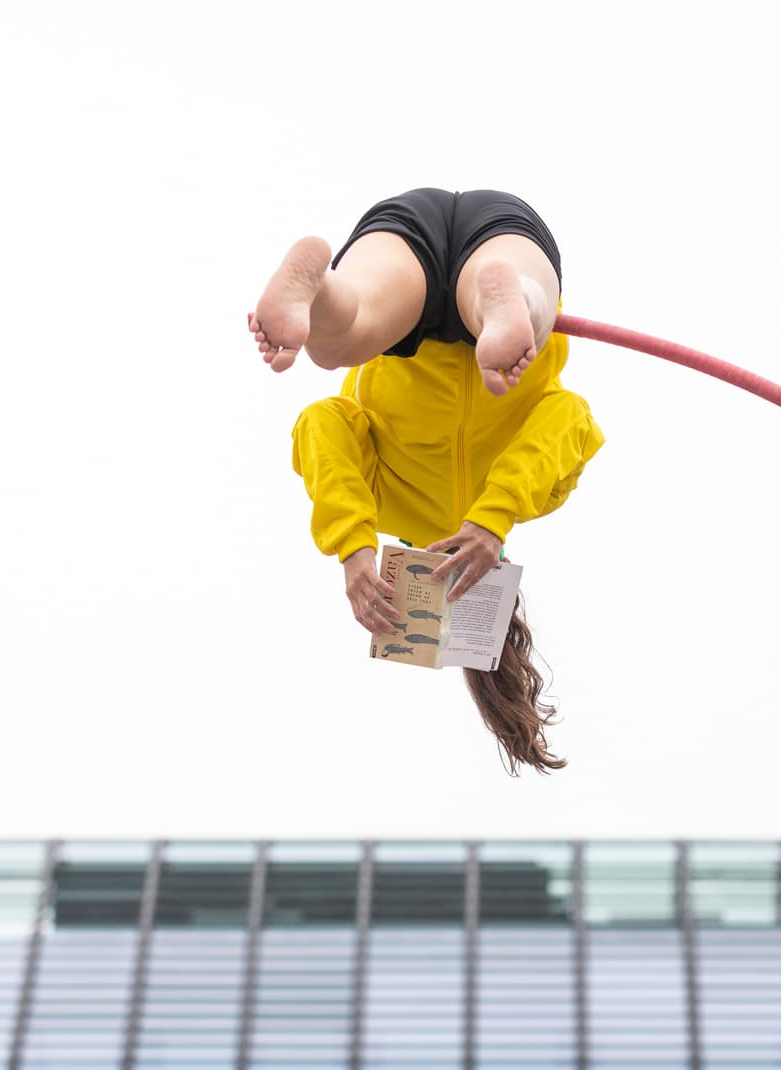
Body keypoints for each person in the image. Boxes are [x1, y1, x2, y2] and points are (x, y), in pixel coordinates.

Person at [248, 189, 603, 774]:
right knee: (350, 340)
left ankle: (327, 295)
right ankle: (506, 304)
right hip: (476, 313)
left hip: (407, 324)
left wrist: (355, 546)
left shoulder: (389, 503)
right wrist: (489, 519)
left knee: (344, 336)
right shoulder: (518, 497)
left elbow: (322, 423)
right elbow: (569, 414)